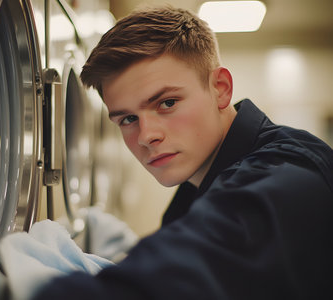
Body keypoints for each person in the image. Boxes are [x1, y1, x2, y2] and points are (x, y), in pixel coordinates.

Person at [19, 6, 333, 299]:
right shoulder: (197, 185)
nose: (146, 136)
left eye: (167, 103)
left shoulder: (285, 178)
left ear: (220, 88)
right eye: (128, 119)